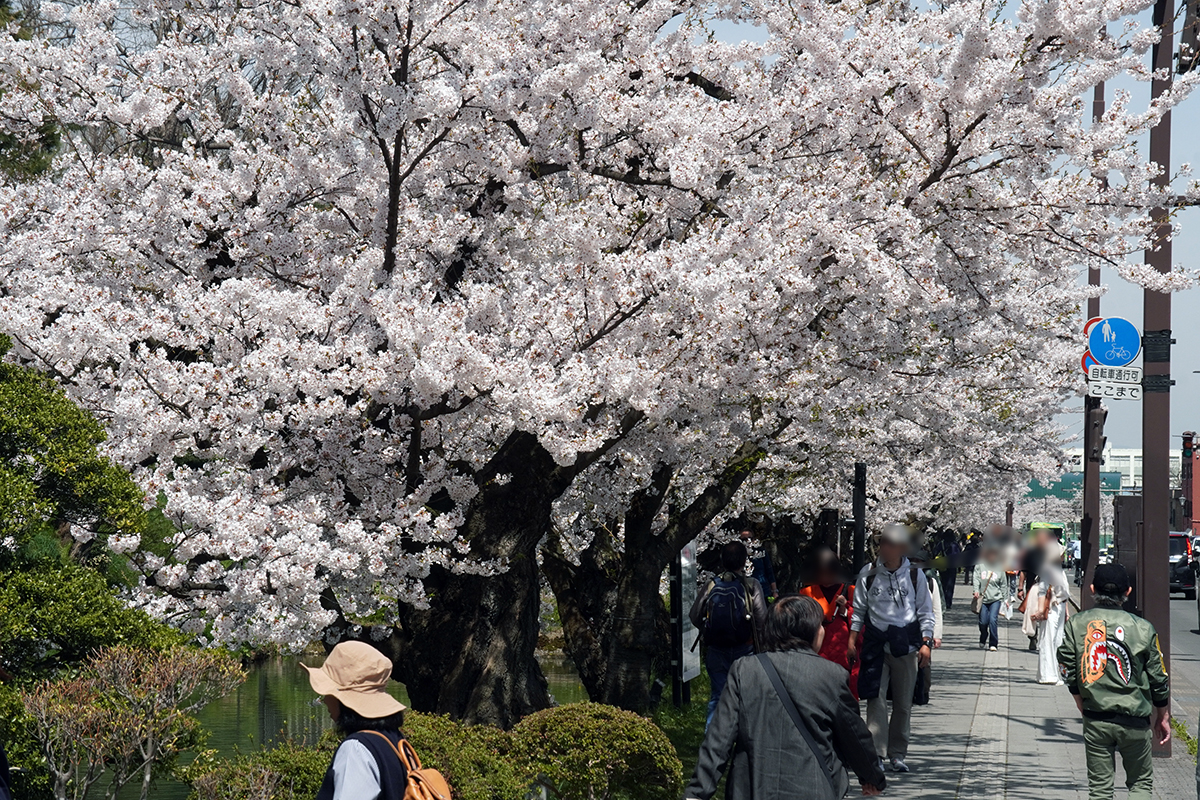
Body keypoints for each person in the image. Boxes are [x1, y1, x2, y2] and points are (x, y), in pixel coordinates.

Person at [684, 596, 887, 800]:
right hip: (813, 790)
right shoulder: (831, 675)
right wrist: (872, 777)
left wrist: (697, 793)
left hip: (754, 790)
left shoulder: (744, 670)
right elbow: (854, 734)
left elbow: (719, 739)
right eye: (820, 625)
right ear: (811, 632)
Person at [1057, 563, 1170, 800]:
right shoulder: (1143, 628)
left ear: (1091, 589)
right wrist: (1163, 714)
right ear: (1127, 592)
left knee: (1100, 790)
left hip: (1096, 716)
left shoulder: (1076, 624)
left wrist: (1078, 697)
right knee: (1140, 784)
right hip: (1135, 719)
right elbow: (1158, 676)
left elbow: (1066, 665)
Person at [848, 523, 936, 774]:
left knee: (903, 702)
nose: (883, 547)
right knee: (875, 699)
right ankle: (877, 753)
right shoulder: (869, 572)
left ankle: (898, 753)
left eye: (889, 543)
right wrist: (852, 640)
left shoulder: (915, 575)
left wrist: (926, 643)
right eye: (881, 542)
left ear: (901, 548)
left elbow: (925, 612)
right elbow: (859, 610)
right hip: (876, 643)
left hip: (906, 645)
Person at [305, 640, 409, 800]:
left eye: (328, 692)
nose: (325, 700)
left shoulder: (356, 749)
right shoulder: (394, 739)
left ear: (343, 700)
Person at [690, 540, 769, 728]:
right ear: (744, 561)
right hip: (745, 649)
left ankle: (712, 745)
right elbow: (762, 620)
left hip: (716, 650)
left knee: (718, 697)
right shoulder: (751, 585)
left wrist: (710, 628)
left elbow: (694, 615)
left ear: (722, 561)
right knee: (746, 697)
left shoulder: (711, 585)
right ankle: (745, 745)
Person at [799, 545, 860, 698]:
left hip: (843, 649)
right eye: (822, 572)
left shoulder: (850, 590)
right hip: (817, 648)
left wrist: (844, 610)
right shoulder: (807, 592)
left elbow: (860, 620)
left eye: (829, 572)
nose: (825, 576)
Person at [1033, 540, 1070, 685]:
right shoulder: (1047, 569)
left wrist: (1066, 611)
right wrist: (1041, 611)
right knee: (1048, 639)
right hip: (1051, 607)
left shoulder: (1058, 569)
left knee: (1056, 640)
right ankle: (1047, 675)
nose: (1063, 556)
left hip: (1059, 606)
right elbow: (1042, 590)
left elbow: (1064, 592)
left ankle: (1051, 673)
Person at [972, 541, 1010, 651]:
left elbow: (1003, 584)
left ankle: (993, 643)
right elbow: (976, 578)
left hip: (996, 598)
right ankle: (983, 636)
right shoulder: (980, 565)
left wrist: (1005, 598)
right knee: (983, 621)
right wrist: (976, 590)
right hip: (983, 598)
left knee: (993, 619)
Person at [1018, 527, 1049, 651]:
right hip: (1034, 588)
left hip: (1045, 588)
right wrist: (1020, 587)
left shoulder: (1048, 553)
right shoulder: (1030, 554)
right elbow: (1023, 572)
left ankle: (1039, 638)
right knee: (1034, 612)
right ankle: (1034, 637)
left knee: (1041, 612)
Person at [740, 528, 778, 600]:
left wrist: (774, 591)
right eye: (744, 539)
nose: (748, 541)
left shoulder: (760, 552)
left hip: (763, 590)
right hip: (745, 592)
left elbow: (769, 571)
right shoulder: (738, 554)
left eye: (750, 538)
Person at [934, 530, 961, 609]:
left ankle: (942, 601)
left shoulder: (941, 543)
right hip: (952, 566)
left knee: (943, 584)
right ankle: (948, 602)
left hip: (943, 565)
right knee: (950, 585)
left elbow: (935, 552)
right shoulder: (955, 545)